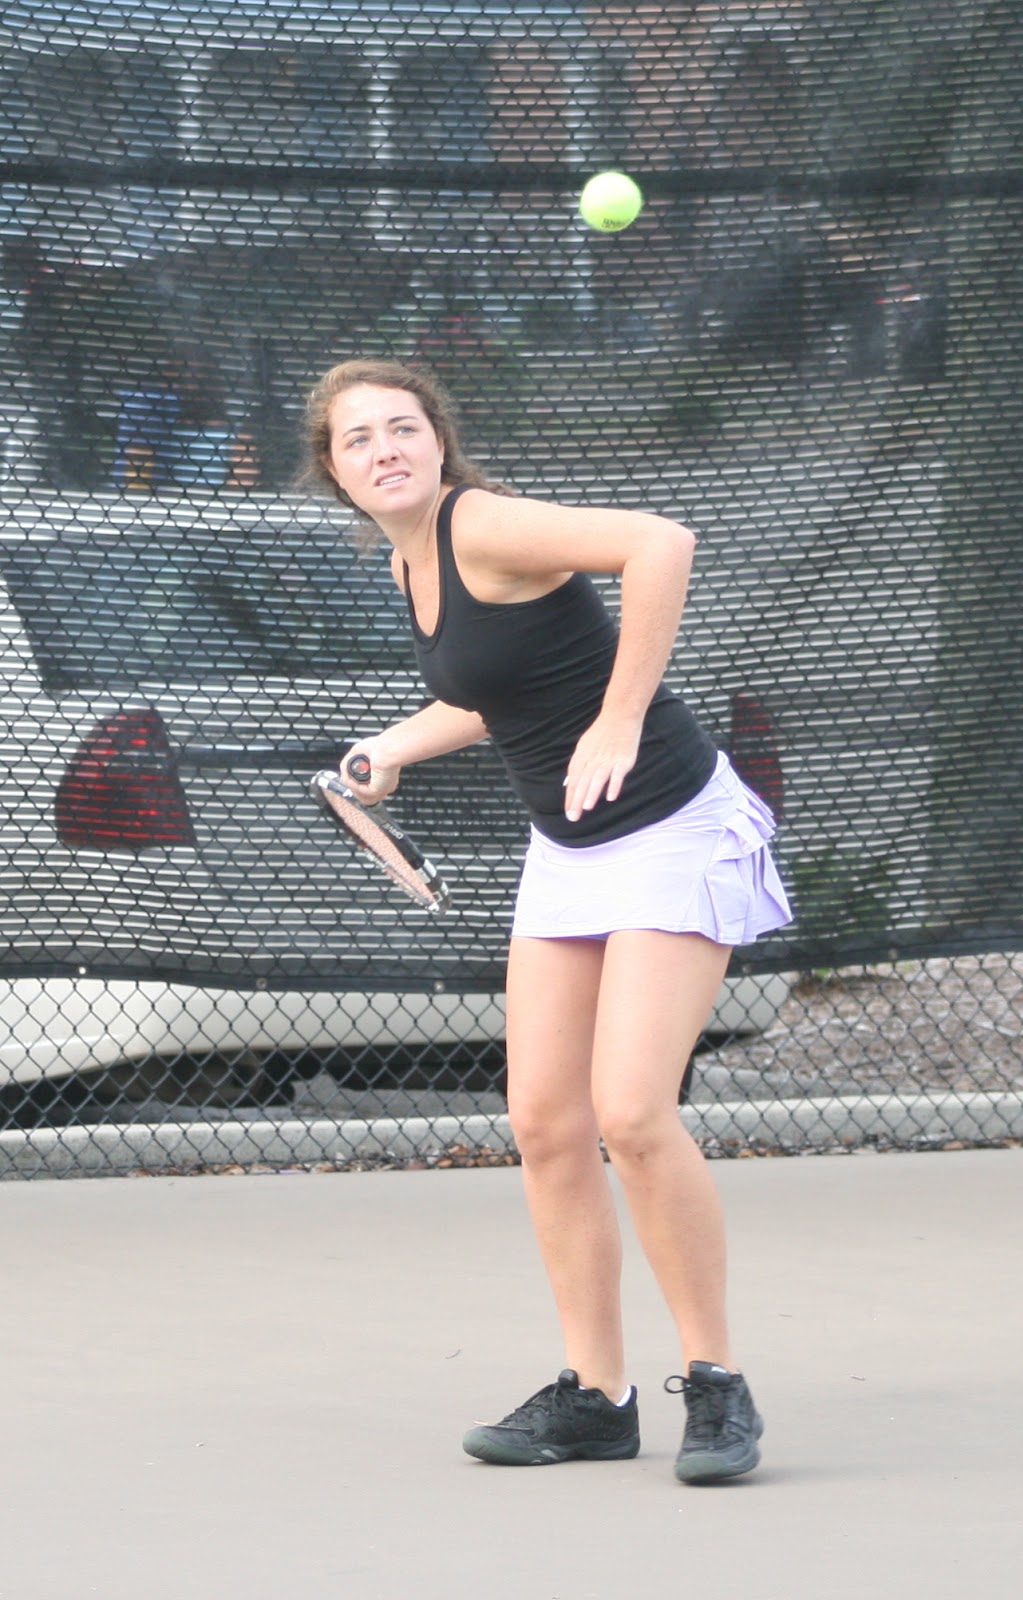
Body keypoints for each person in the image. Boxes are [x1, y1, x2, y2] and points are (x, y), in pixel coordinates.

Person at [302, 356, 792, 1484]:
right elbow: (487, 691)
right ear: (333, 470)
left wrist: (619, 719)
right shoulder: (406, 563)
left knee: (630, 1109)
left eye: (401, 428)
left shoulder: (484, 524)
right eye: (357, 440)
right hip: (567, 851)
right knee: (546, 1122)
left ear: (437, 440)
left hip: (670, 824)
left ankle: (715, 1383)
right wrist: (387, 749)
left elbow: (659, 542)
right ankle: (594, 1396)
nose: (383, 450)